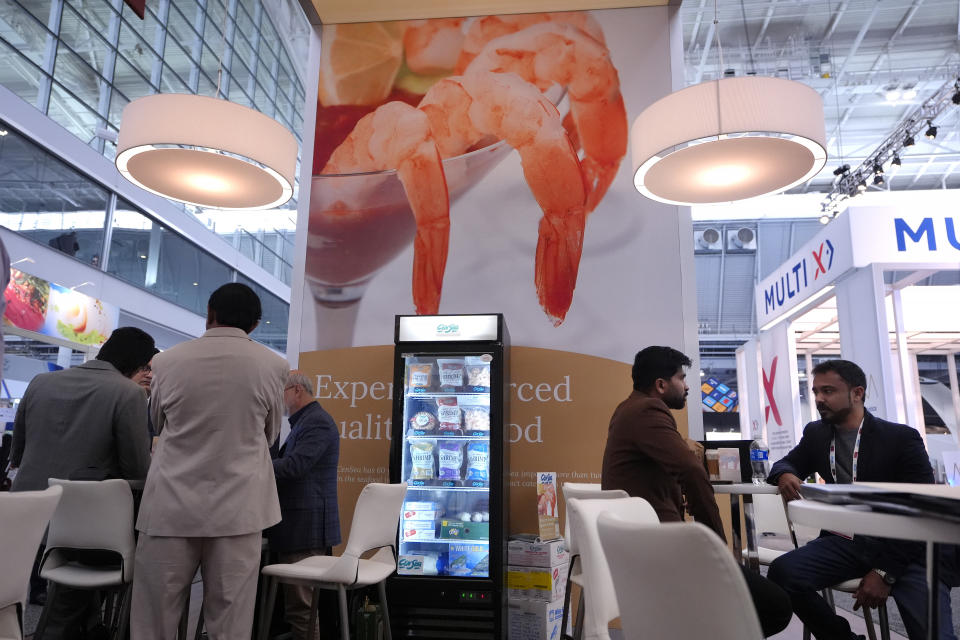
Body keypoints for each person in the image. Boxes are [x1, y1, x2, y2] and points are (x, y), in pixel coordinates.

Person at [131, 283, 287, 640]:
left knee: (154, 618)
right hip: (239, 507)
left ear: (209, 314)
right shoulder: (275, 365)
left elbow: (157, 421)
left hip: (169, 505)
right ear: (255, 324)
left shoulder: (165, 361)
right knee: (230, 618)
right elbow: (270, 434)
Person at [601, 345, 793, 638]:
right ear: (661, 385)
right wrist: (717, 548)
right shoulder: (648, 410)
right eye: (682, 377)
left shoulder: (628, 409)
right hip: (662, 548)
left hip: (647, 544)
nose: (688, 385)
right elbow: (691, 470)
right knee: (776, 606)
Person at [767, 359, 956, 640]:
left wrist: (884, 573)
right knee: (783, 574)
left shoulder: (900, 438)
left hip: (907, 545)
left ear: (857, 393)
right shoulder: (817, 434)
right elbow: (785, 463)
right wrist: (785, 474)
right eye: (816, 391)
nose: (819, 399)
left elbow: (922, 510)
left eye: (828, 391)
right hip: (847, 541)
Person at [10, 326, 156, 639]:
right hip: (83, 525)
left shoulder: (40, 382)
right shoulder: (128, 393)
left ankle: (88, 628)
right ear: (138, 361)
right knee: (85, 581)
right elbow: (137, 469)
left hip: (27, 515)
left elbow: (18, 453)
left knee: (64, 589)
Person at [266, 371, 341, 640]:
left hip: (304, 527)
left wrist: (256, 465)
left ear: (296, 390)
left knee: (302, 608)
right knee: (299, 607)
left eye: (281, 392)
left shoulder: (316, 422)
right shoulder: (306, 422)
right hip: (300, 526)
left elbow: (296, 466)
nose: (279, 400)